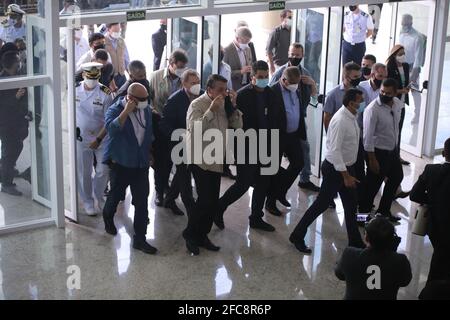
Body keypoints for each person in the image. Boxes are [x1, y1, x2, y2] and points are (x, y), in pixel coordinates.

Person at [289, 89, 366, 254]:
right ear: (352, 103)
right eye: (361, 101)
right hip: (335, 170)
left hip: (346, 168)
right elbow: (335, 151)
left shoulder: (352, 116)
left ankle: (355, 241)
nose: (363, 103)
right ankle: (297, 235)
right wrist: (345, 176)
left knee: (351, 206)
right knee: (320, 205)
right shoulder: (341, 121)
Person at [214, 60, 281, 232]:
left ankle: (256, 218)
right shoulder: (242, 96)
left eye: (266, 77)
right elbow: (232, 120)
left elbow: (275, 119)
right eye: (260, 77)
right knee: (243, 183)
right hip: (246, 144)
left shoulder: (272, 94)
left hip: (267, 144)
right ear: (252, 78)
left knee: (263, 183)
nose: (264, 80)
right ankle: (219, 207)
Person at [184, 74, 243, 255]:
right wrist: (211, 111)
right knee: (204, 200)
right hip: (199, 158)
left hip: (217, 159)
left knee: (211, 201)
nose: (224, 93)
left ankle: (202, 235)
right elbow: (194, 130)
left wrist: (233, 108)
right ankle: (190, 235)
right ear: (209, 90)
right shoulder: (197, 105)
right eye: (220, 90)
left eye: (226, 90)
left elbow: (238, 126)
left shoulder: (225, 104)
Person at [103, 83, 157, 255]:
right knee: (115, 195)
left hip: (140, 164)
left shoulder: (147, 110)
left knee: (141, 202)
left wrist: (149, 153)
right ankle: (108, 217)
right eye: (142, 100)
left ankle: (140, 239)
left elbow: (147, 133)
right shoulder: (115, 109)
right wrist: (125, 112)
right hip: (121, 163)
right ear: (131, 98)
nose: (145, 102)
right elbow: (111, 130)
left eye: (146, 99)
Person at [269, 43, 319, 192]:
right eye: (292, 54)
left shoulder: (305, 73)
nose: (295, 57)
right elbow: (272, 94)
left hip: (298, 120)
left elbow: (314, 100)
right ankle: (273, 190)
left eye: (298, 55)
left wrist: (312, 85)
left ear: (302, 56)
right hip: (280, 126)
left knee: (304, 150)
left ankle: (304, 179)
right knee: (275, 160)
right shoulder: (279, 73)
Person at [335, 216, 412, 300]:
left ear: (366, 238)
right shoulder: (400, 260)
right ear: (392, 240)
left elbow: (339, 274)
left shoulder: (349, 254)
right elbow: (405, 281)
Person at [159, 69, 202, 217]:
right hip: (180, 144)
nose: (196, 85)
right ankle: (191, 208)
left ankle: (169, 199)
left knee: (183, 173)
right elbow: (164, 124)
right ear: (184, 83)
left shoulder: (203, 95)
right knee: (184, 176)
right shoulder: (174, 100)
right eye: (193, 83)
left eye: (198, 82)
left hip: (197, 143)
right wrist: (178, 135)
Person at [359, 78, 403, 222]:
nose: (384, 94)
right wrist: (372, 159)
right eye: (382, 91)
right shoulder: (372, 109)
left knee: (397, 177)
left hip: (392, 151)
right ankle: (361, 217)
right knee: (372, 187)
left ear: (395, 93)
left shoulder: (397, 104)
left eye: (388, 93)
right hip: (377, 153)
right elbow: (367, 137)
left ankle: (383, 211)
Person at [148, 49, 188, 207]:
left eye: (183, 67)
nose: (181, 70)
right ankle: (159, 191)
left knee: (173, 159)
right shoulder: (156, 76)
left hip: (177, 125)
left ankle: (167, 188)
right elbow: (149, 99)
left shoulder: (183, 79)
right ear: (170, 64)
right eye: (179, 67)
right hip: (159, 124)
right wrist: (153, 112)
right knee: (160, 161)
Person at [265, 67, 307, 216]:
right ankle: (270, 202)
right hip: (277, 136)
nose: (295, 86)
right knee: (273, 170)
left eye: (297, 83)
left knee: (298, 163)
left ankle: (280, 192)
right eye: (292, 83)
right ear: (283, 80)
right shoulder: (271, 92)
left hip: (293, 135)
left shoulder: (296, 88)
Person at [410, 137, 450, 288]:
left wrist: (433, 200)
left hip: (435, 225)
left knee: (439, 257)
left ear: (444, 153)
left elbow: (414, 194)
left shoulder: (431, 170)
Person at [75, 62, 112, 215]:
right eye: (90, 78)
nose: (93, 81)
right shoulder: (74, 89)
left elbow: (109, 119)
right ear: (83, 75)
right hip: (81, 138)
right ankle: (88, 201)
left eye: (96, 78)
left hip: (101, 137)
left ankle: (100, 198)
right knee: (83, 171)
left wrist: (98, 139)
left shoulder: (105, 92)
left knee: (103, 170)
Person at [0, 51, 29, 196]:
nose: (20, 64)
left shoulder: (17, 77)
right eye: (17, 62)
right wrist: (15, 98)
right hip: (6, 125)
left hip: (16, 123)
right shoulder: (3, 81)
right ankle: (6, 183)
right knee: (9, 152)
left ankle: (6, 170)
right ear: (12, 65)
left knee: (14, 148)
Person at [386, 44, 411, 166]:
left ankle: (397, 155)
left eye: (403, 53)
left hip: (402, 102)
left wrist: (407, 89)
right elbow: (388, 87)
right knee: (391, 130)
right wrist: (401, 91)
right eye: (400, 54)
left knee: (399, 130)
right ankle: (390, 155)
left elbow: (405, 82)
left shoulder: (405, 66)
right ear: (394, 55)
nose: (402, 56)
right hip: (393, 102)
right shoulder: (389, 67)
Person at [399, 14, 426, 125]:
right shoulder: (401, 32)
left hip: (412, 68)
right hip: (401, 65)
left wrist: (414, 74)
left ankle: (418, 113)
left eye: (405, 24)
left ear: (410, 23)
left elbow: (418, 58)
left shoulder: (417, 37)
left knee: (414, 90)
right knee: (400, 88)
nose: (403, 26)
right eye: (402, 24)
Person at [223, 27, 253, 92]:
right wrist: (240, 72)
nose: (246, 45)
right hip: (234, 88)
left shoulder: (247, 48)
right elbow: (224, 74)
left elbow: (251, 63)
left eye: (248, 42)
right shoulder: (227, 51)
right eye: (244, 42)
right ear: (237, 38)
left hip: (247, 85)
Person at [266, 9, 293, 74]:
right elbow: (268, 50)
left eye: (292, 18)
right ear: (282, 18)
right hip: (278, 66)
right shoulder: (276, 32)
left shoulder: (295, 31)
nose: (291, 19)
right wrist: (272, 66)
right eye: (289, 18)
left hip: (291, 66)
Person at [104, 23, 130, 89]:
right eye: (115, 31)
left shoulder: (121, 40)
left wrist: (130, 72)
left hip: (121, 75)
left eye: (118, 31)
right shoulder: (103, 42)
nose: (117, 33)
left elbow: (126, 58)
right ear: (108, 29)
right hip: (110, 77)